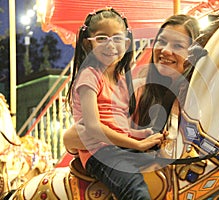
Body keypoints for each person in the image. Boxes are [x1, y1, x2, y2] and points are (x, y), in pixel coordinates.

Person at [64, 13, 203, 199]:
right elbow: (78, 134)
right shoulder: (140, 92)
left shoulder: (199, 100)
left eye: (178, 45)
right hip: (113, 157)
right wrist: (137, 142)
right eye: (161, 42)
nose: (166, 51)